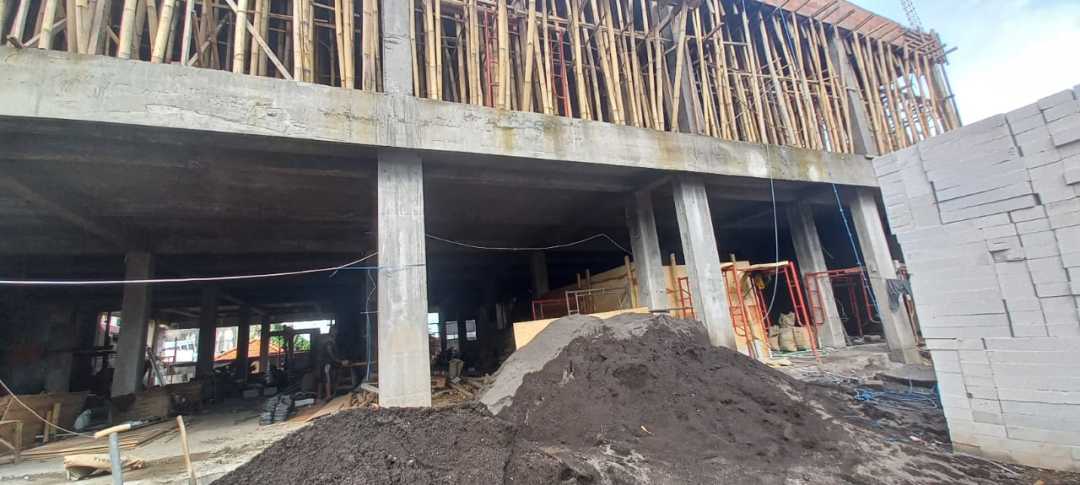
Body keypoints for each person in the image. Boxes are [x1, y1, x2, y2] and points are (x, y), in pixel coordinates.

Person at [319, 326, 346, 401]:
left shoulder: (332, 340)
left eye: (336, 331)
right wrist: (340, 362)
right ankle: (328, 395)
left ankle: (331, 394)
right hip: (326, 363)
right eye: (335, 331)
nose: (336, 333)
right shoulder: (329, 341)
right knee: (327, 379)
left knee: (330, 378)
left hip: (330, 363)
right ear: (332, 331)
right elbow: (331, 355)